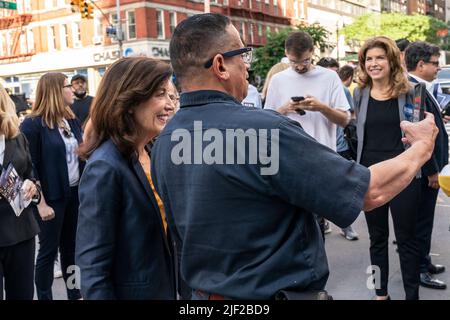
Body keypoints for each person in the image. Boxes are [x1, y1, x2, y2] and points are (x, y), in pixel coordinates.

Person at [151, 13, 437, 300]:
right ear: (220, 65)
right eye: (243, 56)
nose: (247, 69)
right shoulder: (263, 130)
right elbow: (368, 191)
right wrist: (421, 148)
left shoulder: (165, 140)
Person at [75, 57, 176, 300]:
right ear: (130, 101)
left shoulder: (150, 151)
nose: (170, 105)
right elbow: (92, 265)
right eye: (160, 94)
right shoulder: (105, 166)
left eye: (171, 95)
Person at [354, 36, 426, 300]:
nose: (373, 63)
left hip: (404, 175)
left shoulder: (411, 91)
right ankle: (380, 293)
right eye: (369, 59)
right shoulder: (359, 93)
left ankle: (412, 295)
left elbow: (427, 133)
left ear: (392, 60)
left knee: (407, 240)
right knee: (377, 239)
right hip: (370, 176)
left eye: (379, 58)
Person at [20, 72, 83, 300]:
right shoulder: (33, 124)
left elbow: (82, 152)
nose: (73, 90)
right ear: (56, 91)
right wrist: (41, 204)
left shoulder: (71, 119)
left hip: (74, 194)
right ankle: (45, 296)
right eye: (68, 86)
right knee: (48, 251)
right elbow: (30, 167)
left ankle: (75, 294)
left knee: (72, 250)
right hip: (50, 198)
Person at [405, 41, 449, 290]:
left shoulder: (420, 86)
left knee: (425, 220)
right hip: (424, 171)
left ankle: (424, 261)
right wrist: (432, 170)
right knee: (421, 221)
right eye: (434, 63)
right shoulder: (414, 89)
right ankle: (420, 269)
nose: (438, 67)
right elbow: (419, 138)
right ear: (421, 64)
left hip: (427, 169)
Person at [265, 31, 351, 151]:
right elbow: (266, 123)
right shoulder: (277, 80)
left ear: (313, 51)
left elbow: (345, 120)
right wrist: (285, 109)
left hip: (324, 156)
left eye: (306, 61)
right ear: (286, 53)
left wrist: (322, 108)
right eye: (294, 62)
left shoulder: (330, 77)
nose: (300, 67)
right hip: (289, 155)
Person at [0, 83, 40, 300]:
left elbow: (29, 172)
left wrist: (32, 184)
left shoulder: (17, 136)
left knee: (23, 294)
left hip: (20, 229)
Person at [316, 58, 359, 241]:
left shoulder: (341, 89)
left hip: (339, 147)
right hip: (316, 147)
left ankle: (345, 225)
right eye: (329, 72)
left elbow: (351, 115)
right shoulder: (311, 89)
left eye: (335, 72)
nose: (333, 76)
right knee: (317, 189)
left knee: (339, 188)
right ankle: (322, 221)